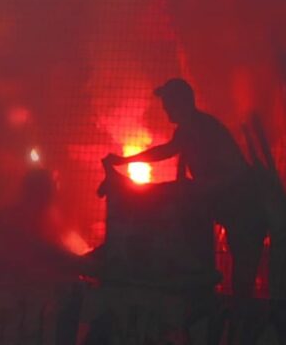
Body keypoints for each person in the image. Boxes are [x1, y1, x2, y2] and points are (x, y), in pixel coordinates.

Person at [107, 79, 267, 300]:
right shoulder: (187, 131)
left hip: (245, 210)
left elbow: (236, 172)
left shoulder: (206, 129)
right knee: (239, 274)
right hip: (235, 211)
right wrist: (125, 160)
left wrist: (203, 188)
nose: (165, 110)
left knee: (244, 274)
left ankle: (245, 314)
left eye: (168, 104)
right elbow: (164, 151)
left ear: (180, 103)